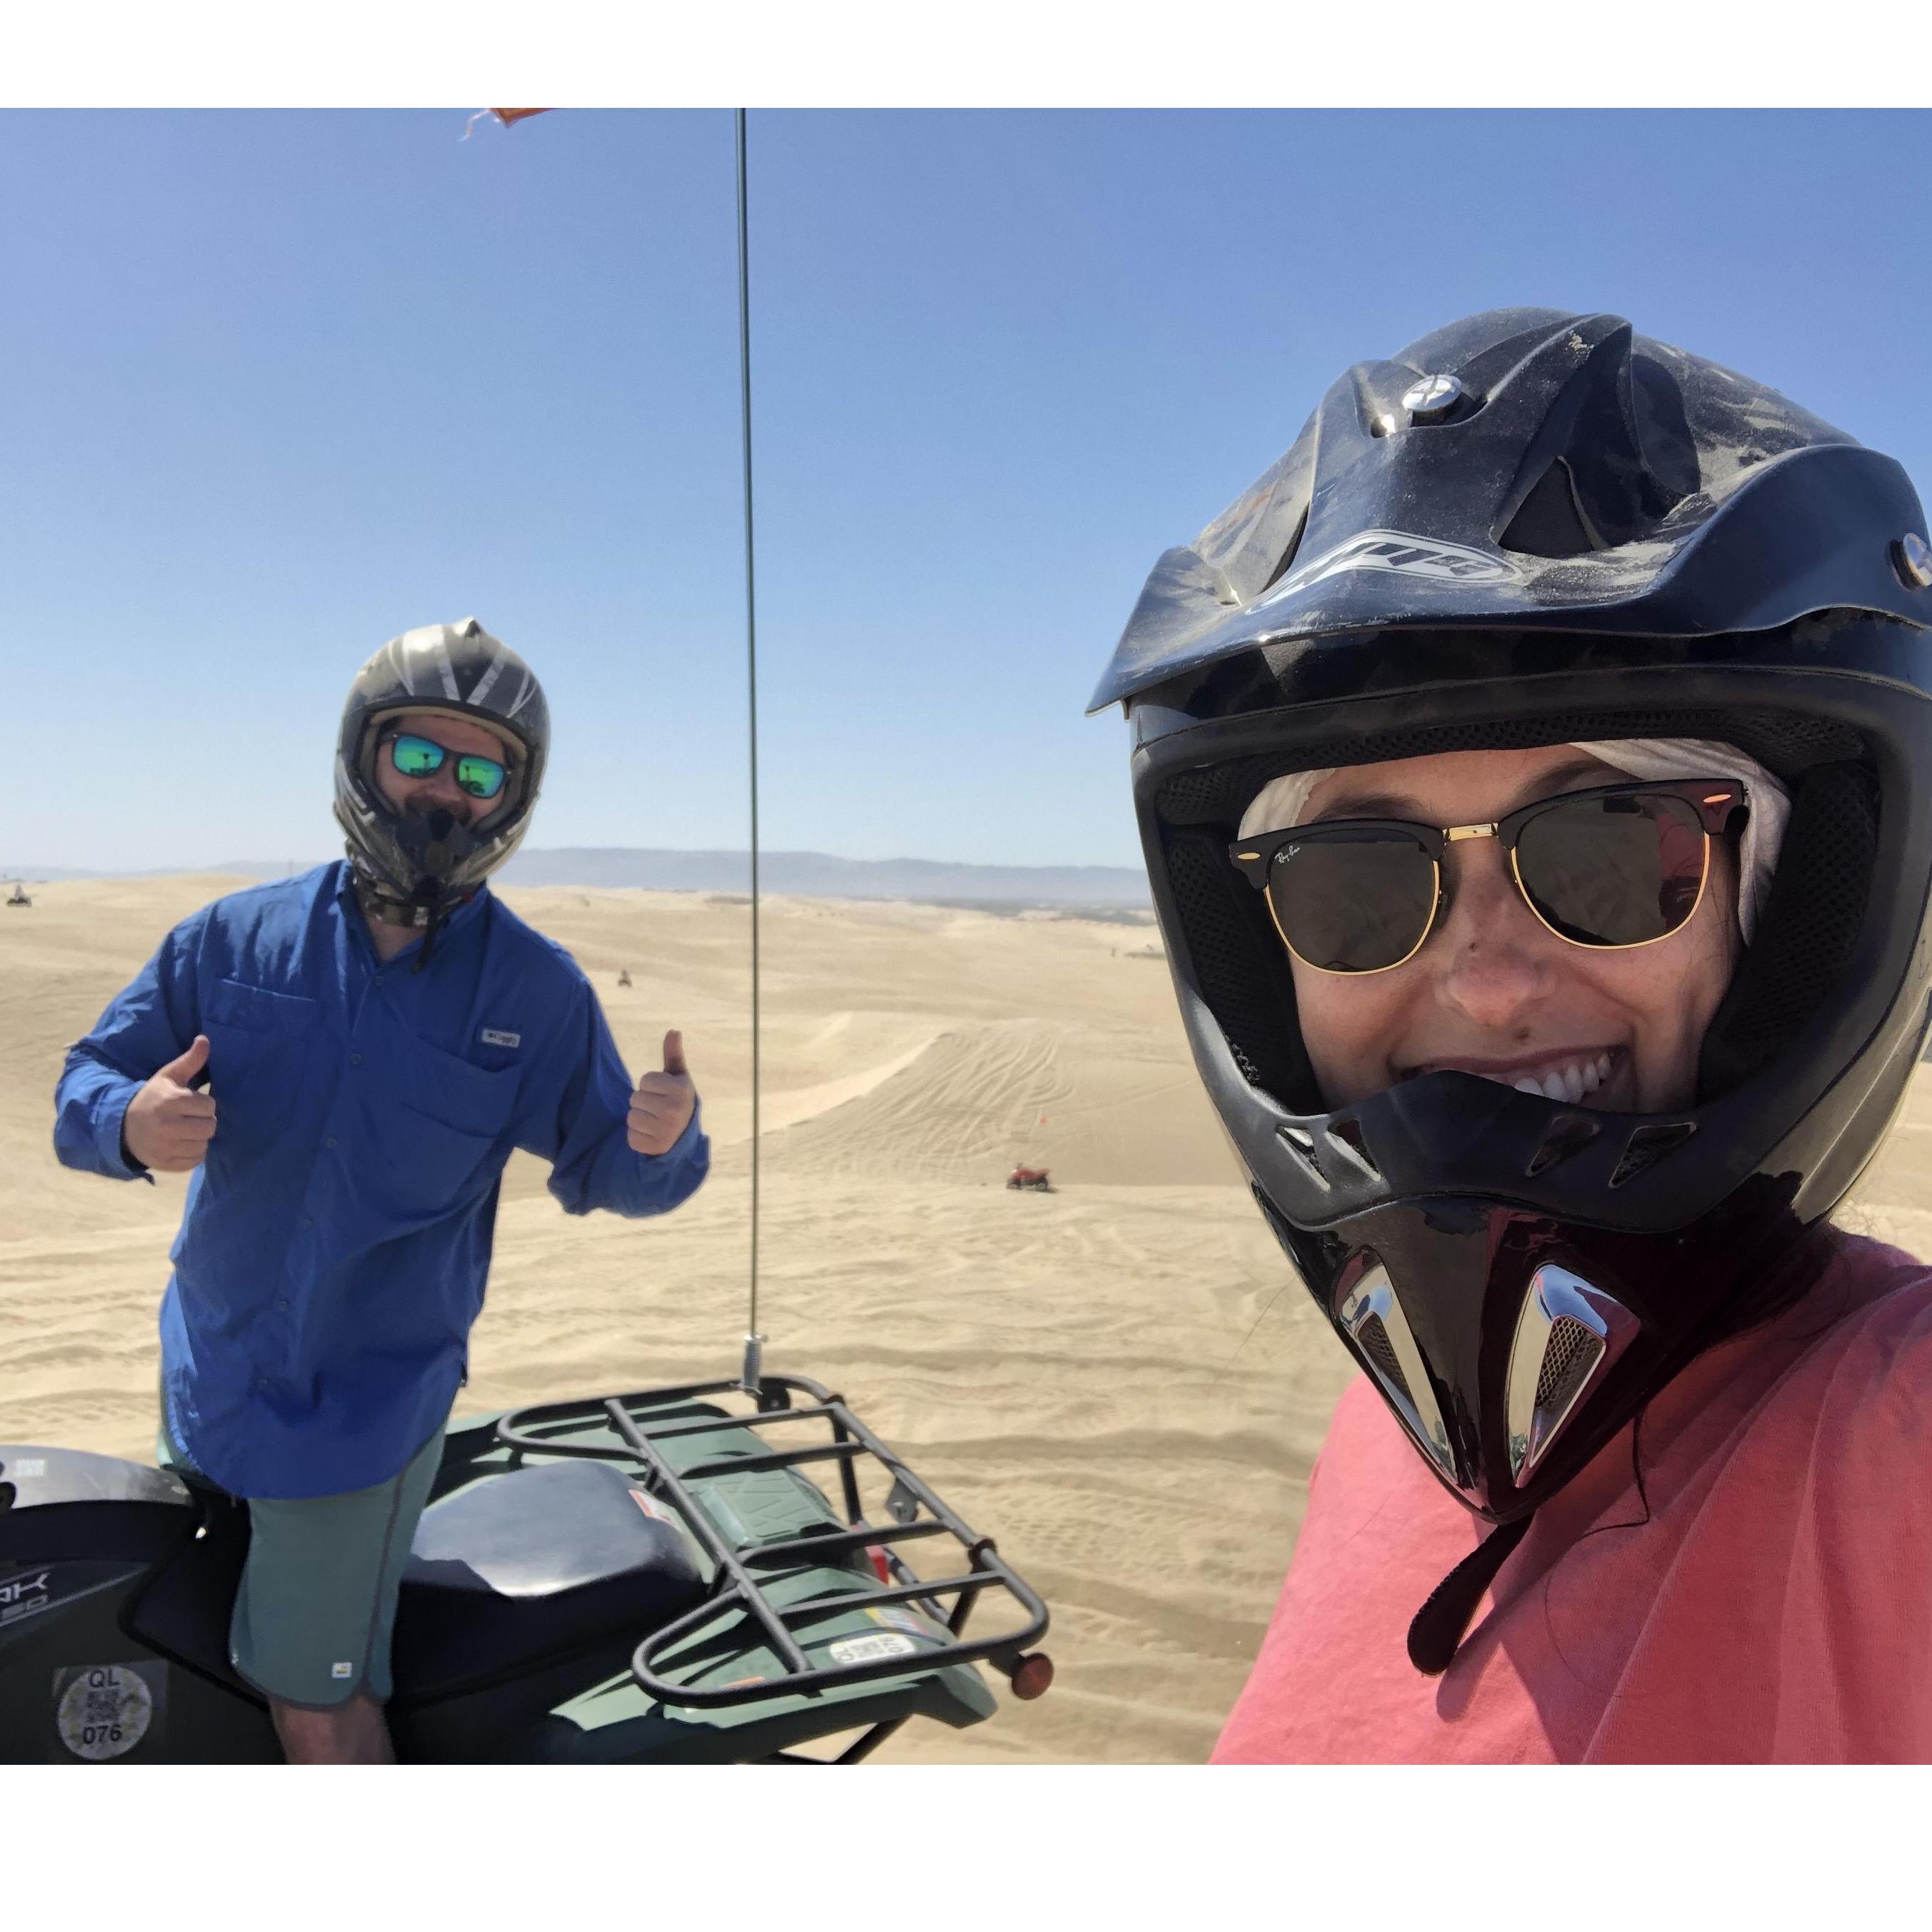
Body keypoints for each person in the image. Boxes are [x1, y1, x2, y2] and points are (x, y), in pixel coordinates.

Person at [1091, 308, 1932, 1761]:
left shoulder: (1884, 1432)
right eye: (1354, 883)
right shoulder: (1399, 1432)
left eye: (1614, 847)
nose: (1485, 983)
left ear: (1792, 911)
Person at [52, 618, 709, 1765]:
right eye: (417, 755)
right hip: (209, 1377)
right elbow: (84, 1082)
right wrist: (129, 1120)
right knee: (191, 1635)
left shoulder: (536, 993)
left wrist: (660, 1141)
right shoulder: (232, 941)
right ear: (364, 757)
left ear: (512, 796)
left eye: (478, 769)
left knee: (315, 1705)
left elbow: (617, 1170)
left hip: (358, 1417)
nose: (443, 793)